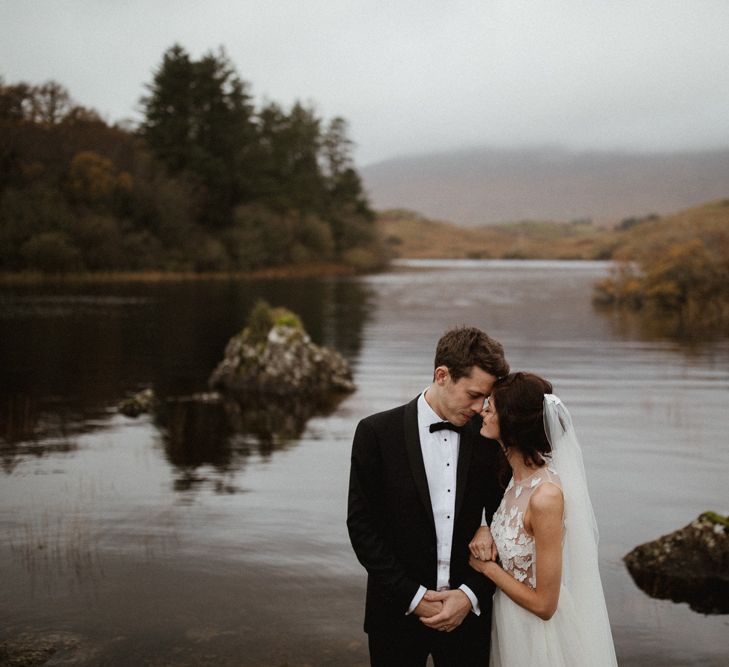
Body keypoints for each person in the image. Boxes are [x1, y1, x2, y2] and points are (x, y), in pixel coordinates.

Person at [347, 326, 510, 666]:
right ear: (442, 375)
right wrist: (414, 597)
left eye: (486, 399)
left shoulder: (489, 439)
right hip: (395, 613)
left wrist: (469, 595)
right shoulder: (375, 433)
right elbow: (362, 528)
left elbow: (505, 523)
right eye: (473, 394)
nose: (481, 408)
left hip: (469, 617)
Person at [468, 372, 618, 666]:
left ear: (511, 421)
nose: (482, 410)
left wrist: (488, 569)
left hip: (537, 636)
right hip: (509, 620)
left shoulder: (545, 496)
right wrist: (483, 528)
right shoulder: (516, 480)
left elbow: (546, 605)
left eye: (491, 406)